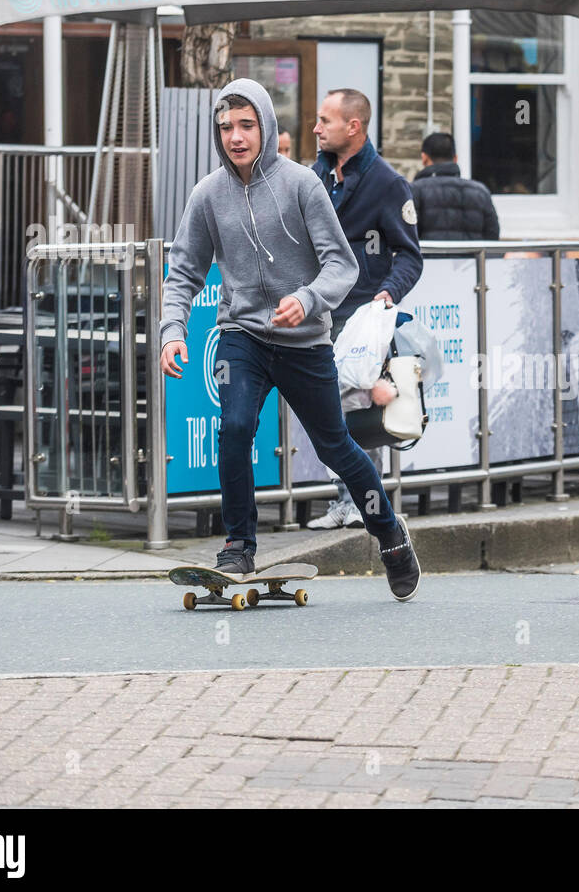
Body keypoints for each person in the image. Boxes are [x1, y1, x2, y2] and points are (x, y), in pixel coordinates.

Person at [159, 78, 420, 601]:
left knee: (336, 445)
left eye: (246, 125)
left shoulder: (303, 184)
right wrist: (172, 331)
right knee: (233, 428)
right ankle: (238, 544)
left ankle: (389, 534)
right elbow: (183, 270)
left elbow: (342, 265)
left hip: (304, 340)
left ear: (266, 126)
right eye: (226, 127)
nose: (235, 137)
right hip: (242, 335)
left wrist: (308, 298)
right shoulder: (207, 194)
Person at [307, 88, 423, 530]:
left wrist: (388, 293)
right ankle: (347, 501)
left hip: (359, 316)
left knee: (357, 411)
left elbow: (410, 255)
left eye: (325, 121)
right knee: (326, 410)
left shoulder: (387, 183)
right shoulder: (315, 175)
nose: (316, 128)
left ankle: (363, 505)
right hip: (316, 311)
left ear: (353, 126)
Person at [410, 132, 499, 241]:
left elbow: (408, 235)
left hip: (429, 258)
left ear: (424, 157)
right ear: (455, 158)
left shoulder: (415, 190)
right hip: (472, 258)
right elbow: (492, 235)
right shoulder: (480, 191)